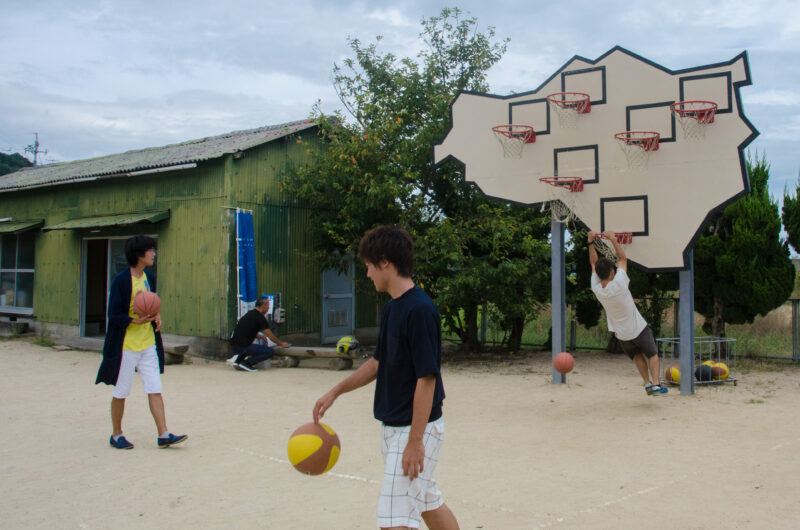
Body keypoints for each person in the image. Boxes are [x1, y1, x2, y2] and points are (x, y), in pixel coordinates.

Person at [313, 226, 460, 530]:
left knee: (393, 520)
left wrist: (416, 441)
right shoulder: (393, 308)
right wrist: (336, 391)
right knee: (427, 502)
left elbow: (427, 379)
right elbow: (380, 361)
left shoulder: (420, 310)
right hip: (393, 427)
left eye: (368, 266)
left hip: (416, 429)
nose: (367, 274)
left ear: (385, 263)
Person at [95, 235, 188, 449]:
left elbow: (151, 305)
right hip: (126, 346)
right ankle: (116, 435)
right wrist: (134, 321)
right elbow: (113, 314)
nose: (154, 254)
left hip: (148, 345)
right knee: (121, 391)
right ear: (139, 254)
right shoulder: (121, 281)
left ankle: (164, 434)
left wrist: (156, 316)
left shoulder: (150, 278)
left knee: (155, 388)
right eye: (150, 250)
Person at [588, 230, 668, 396]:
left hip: (622, 334)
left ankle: (647, 384)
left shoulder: (597, 289)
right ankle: (656, 384)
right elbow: (623, 259)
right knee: (653, 354)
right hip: (638, 328)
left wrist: (590, 242)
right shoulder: (619, 283)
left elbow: (593, 264)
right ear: (611, 272)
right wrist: (613, 240)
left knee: (637, 355)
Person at [229, 296, 289, 372]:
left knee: (248, 346)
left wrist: (259, 336)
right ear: (263, 306)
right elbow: (270, 335)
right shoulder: (260, 318)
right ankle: (247, 363)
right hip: (242, 347)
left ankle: (238, 361)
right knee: (269, 351)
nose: (268, 308)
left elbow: (245, 330)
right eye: (268, 306)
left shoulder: (250, 313)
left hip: (234, 346)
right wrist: (281, 344)